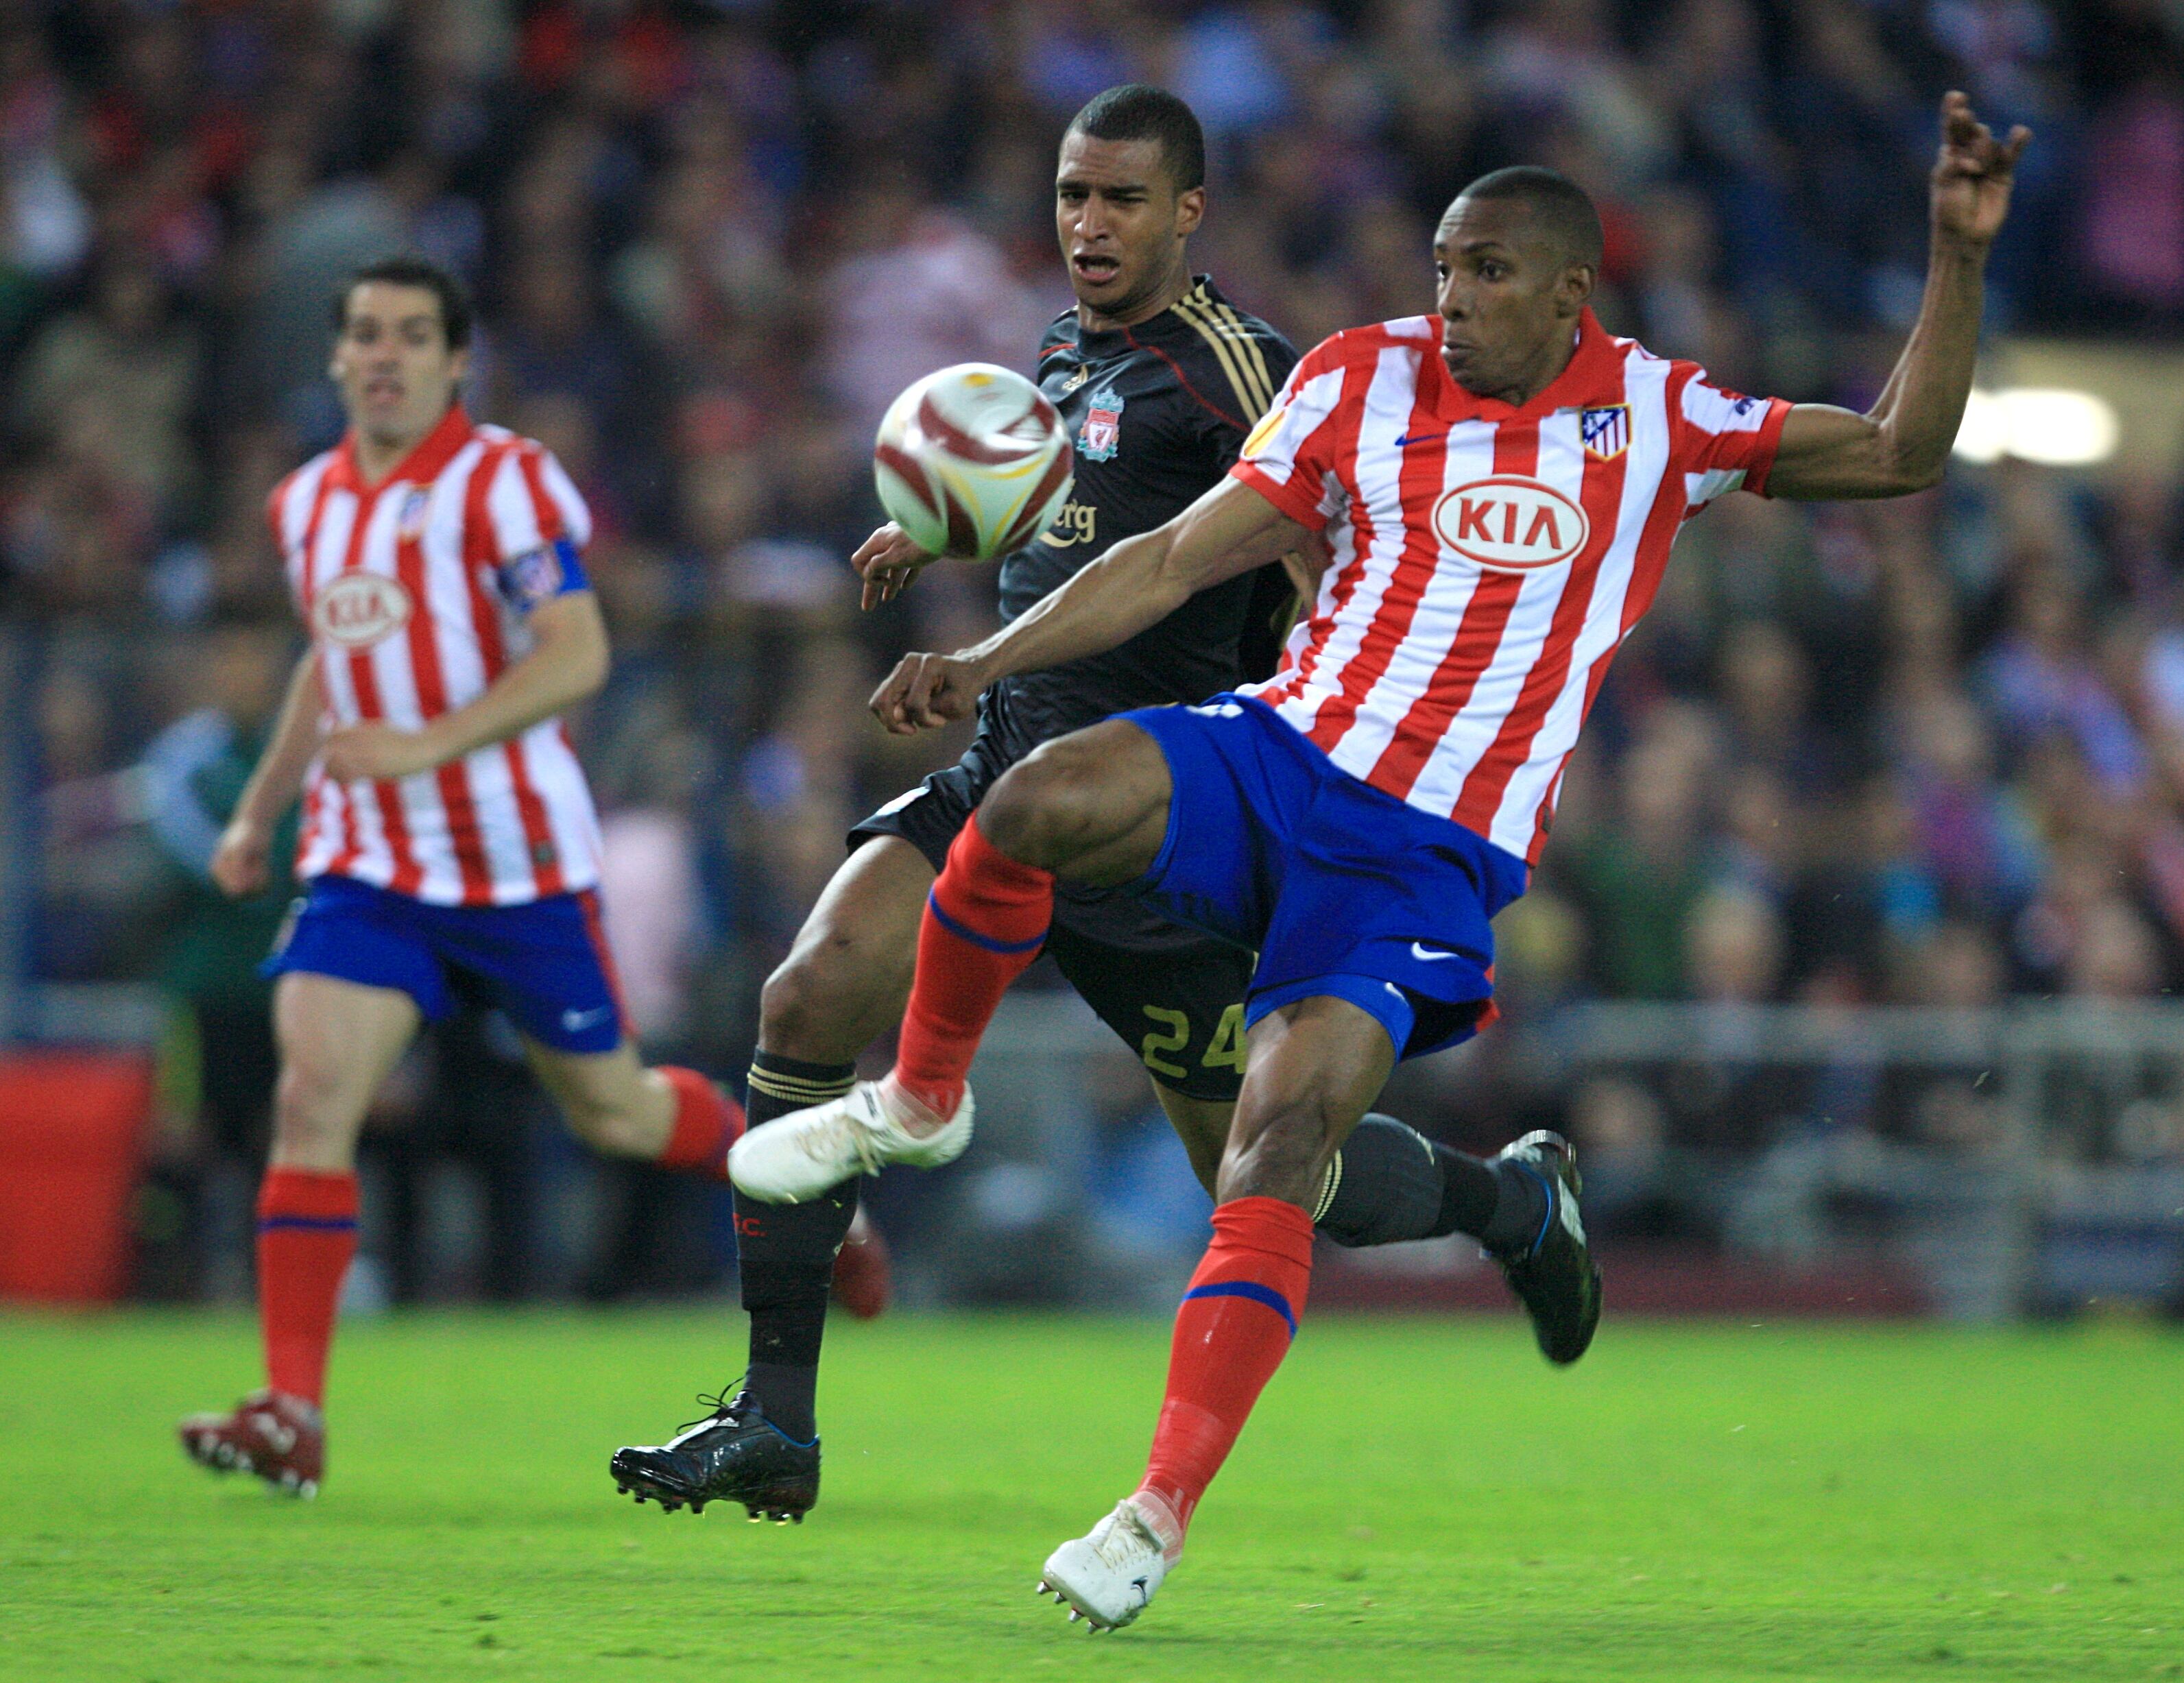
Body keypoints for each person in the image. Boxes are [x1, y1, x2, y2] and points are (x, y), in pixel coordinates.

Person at [734, 94, 2028, 1627]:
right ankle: (921, 1098)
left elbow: (1896, 451)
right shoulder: (1357, 376)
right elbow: (1171, 557)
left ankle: (1154, 1512)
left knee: (1275, 1147)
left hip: (1425, 849)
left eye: (1488, 275)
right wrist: (982, 657)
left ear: (1570, 292)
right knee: (1035, 798)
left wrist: (1955, 255)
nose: (1451, 303)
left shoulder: (1660, 415)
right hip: (1278, 754)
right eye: (1441, 269)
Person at [611, 86, 1586, 1526]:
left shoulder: (1244, 369)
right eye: (1073, 194)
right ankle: (776, 1418)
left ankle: (1511, 1204)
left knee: (1272, 1174)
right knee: (809, 994)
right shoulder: (1064, 353)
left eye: (1122, 199)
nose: (1089, 224)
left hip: (1161, 826)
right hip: (1009, 773)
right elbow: (1074, 510)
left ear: (1189, 211)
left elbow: (1326, 551)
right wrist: (941, 523)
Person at [177, 256, 758, 1497]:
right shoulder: (304, 504)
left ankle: (786, 1178)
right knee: (310, 1100)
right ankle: (292, 1412)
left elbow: (577, 654)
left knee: (615, 1112)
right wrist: (260, 812)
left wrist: (427, 744)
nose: (384, 355)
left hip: (515, 864)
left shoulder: (508, 481)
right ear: (336, 357)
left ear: (455, 361)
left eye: (412, 335)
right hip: (367, 864)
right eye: (365, 333)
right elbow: (330, 660)